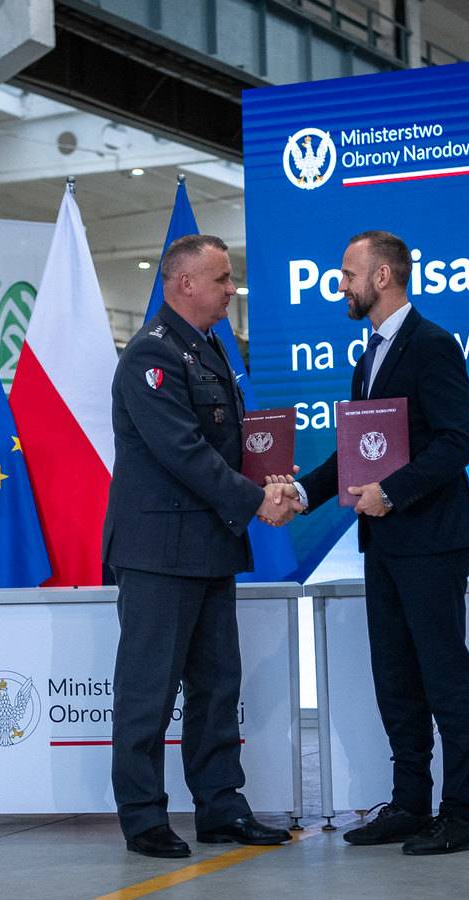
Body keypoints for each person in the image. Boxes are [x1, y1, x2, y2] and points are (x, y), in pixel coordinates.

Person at [280, 229, 469, 855]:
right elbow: (358, 455)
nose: (340, 285)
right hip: (387, 543)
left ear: (382, 277)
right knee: (396, 678)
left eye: (348, 274)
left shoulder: (432, 345)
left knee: (444, 677)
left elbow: (459, 440)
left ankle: (462, 815)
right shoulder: (369, 356)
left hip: (432, 539)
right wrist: (301, 492)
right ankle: (409, 805)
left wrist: (393, 492)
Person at [104, 233, 301, 859]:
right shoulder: (151, 355)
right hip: (160, 553)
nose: (231, 289)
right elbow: (184, 452)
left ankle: (221, 808)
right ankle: (143, 818)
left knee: (217, 689)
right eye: (221, 279)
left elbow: (225, 444)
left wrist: (270, 481)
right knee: (149, 693)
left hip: (208, 545)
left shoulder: (209, 347)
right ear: (184, 283)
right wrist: (256, 500)